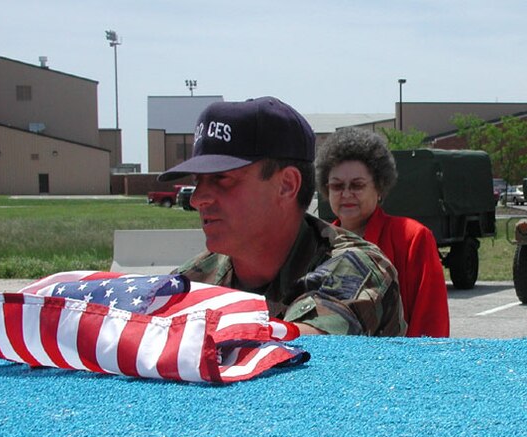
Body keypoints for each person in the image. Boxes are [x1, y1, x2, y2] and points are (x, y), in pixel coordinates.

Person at [158, 97, 406, 337]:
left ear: (286, 185)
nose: (197, 198)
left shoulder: (351, 267)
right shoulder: (195, 278)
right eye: (196, 181)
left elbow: (299, 354)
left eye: (221, 178)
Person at [314, 128, 450, 337]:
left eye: (357, 185)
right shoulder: (315, 244)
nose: (346, 194)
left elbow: (430, 323)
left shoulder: (412, 238)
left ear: (379, 187)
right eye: (337, 186)